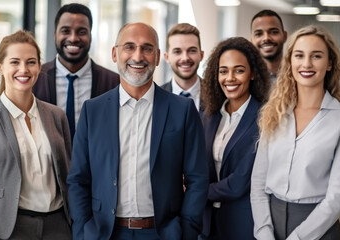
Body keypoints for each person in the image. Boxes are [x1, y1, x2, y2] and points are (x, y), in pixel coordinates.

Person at [67, 22, 208, 240]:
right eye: (129, 47)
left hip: (163, 233)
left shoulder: (183, 110)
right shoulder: (92, 111)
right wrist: (83, 230)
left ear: (158, 56)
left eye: (147, 48)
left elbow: (197, 178)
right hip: (106, 233)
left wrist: (186, 230)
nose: (138, 56)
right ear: (115, 54)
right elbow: (78, 180)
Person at [0, 30, 72, 240]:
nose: (23, 69)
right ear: (0, 67)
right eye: (14, 62)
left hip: (59, 226)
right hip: (12, 228)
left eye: (31, 62)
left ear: (39, 67)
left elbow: (69, 176)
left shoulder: (57, 116)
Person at [251, 25, 340, 240]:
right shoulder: (274, 112)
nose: (306, 63)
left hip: (319, 229)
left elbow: (339, 196)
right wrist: (263, 231)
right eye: (299, 55)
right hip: (271, 224)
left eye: (316, 56)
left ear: (329, 64)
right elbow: (258, 184)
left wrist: (299, 238)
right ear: (290, 62)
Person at [199, 37, 270, 240]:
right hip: (207, 225)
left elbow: (241, 180)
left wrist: (196, 191)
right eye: (223, 71)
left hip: (242, 225)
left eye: (239, 70)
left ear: (253, 73)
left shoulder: (264, 118)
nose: (230, 78)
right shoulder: (210, 116)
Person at [33, 3, 119, 141]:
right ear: (55, 35)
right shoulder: (35, 78)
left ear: (90, 36)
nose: (73, 38)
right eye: (66, 31)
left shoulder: (114, 82)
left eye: (81, 32)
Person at [161, 23, 204, 111]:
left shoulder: (218, 96)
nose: (185, 58)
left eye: (192, 51)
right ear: (167, 57)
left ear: (201, 55)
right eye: (177, 51)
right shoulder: (156, 97)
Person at [250, 9, 287, 83]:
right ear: (252, 40)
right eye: (259, 34)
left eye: (273, 32)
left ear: (284, 36)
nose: (266, 38)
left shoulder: (298, 73)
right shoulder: (247, 77)